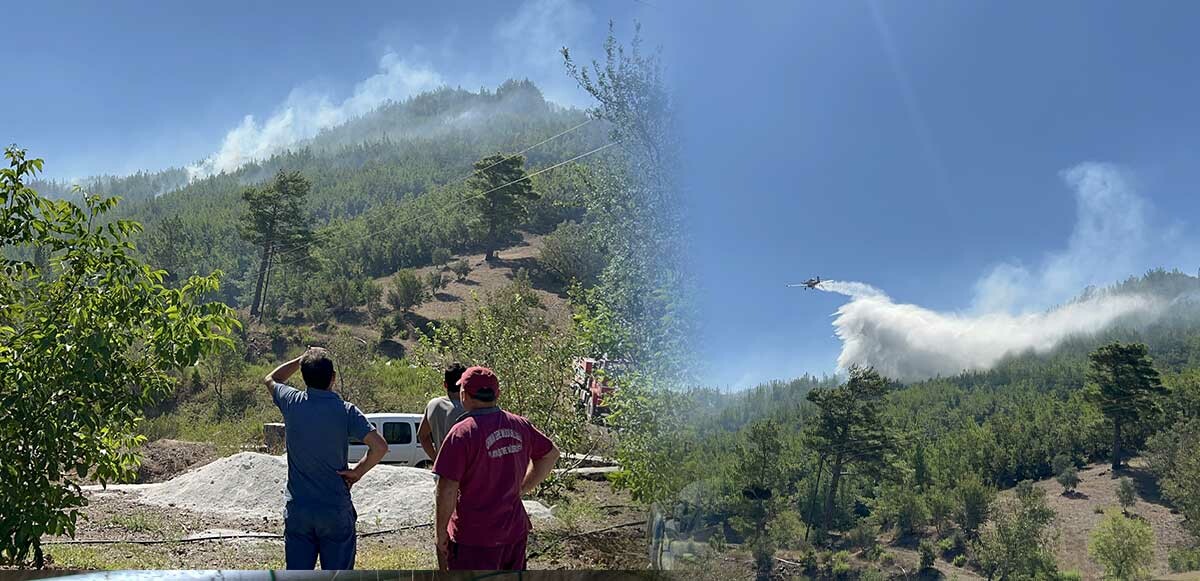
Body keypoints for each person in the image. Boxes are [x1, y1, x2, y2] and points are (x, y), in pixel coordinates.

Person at [263, 347, 389, 570]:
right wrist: (357, 472)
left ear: (303, 377)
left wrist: (301, 359)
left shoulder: (292, 402)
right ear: (333, 378)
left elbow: (272, 378)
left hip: (299, 509)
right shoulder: (346, 410)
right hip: (334, 508)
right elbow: (379, 447)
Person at [433, 366, 561, 571]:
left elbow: (447, 487)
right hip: (514, 533)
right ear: (497, 394)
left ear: (464, 395)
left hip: (473, 538)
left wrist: (440, 532)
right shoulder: (520, 425)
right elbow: (550, 454)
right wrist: (521, 488)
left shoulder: (462, 433)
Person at [417, 362, 468, 463]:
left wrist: (436, 460)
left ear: (445, 384)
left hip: (442, 471)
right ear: (464, 383)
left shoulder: (433, 405)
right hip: (464, 472)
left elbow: (422, 436)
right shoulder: (467, 410)